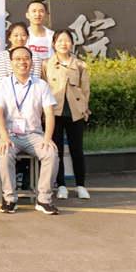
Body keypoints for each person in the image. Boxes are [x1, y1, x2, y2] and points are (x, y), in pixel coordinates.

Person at [0, 46, 60, 215]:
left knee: (51, 153)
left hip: (34, 134)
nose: (22, 62)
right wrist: (4, 137)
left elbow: (49, 114)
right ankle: (9, 199)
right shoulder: (1, 85)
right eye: (18, 59)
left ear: (31, 62)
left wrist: (48, 138)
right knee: (5, 153)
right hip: (9, 134)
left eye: (26, 58)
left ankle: (43, 199)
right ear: (11, 63)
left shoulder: (41, 85)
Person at [42, 30, 91, 200]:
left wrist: (85, 108)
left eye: (67, 40)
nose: (64, 44)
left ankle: (81, 185)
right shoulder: (46, 64)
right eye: (60, 41)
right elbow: (42, 88)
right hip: (54, 112)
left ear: (72, 43)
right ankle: (61, 185)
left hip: (75, 112)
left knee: (77, 149)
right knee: (57, 150)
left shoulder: (80, 65)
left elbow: (85, 90)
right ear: (53, 44)